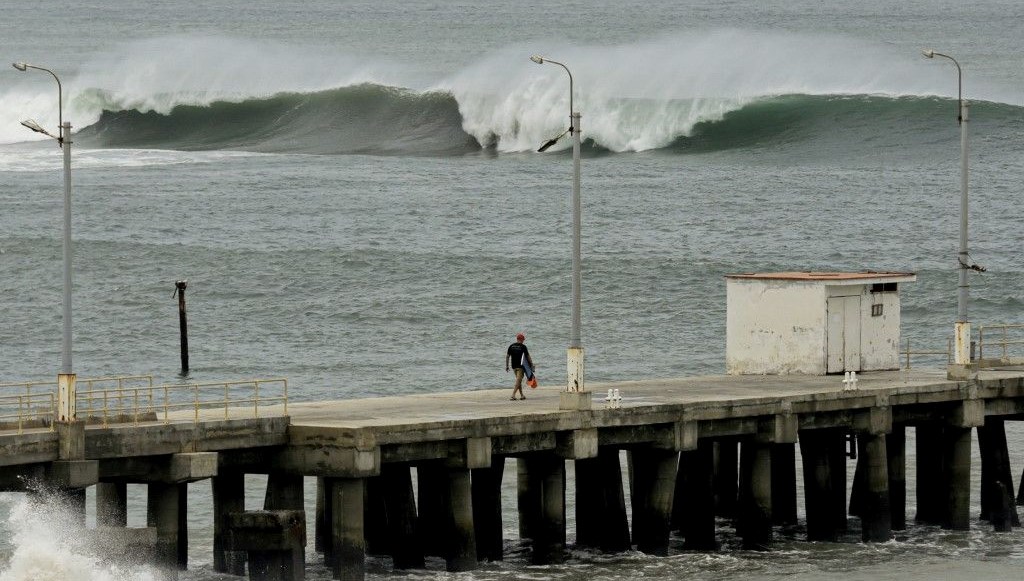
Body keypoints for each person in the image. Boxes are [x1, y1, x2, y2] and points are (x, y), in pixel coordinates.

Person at [505, 332, 535, 400]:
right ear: (521, 339)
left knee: (519, 381)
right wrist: (532, 365)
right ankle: (513, 395)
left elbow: (507, 356)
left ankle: (521, 395)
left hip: (514, 366)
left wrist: (507, 366)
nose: (523, 341)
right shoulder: (523, 347)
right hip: (521, 367)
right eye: (523, 340)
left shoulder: (511, 346)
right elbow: (528, 357)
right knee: (518, 381)